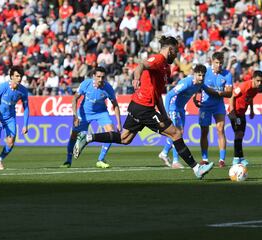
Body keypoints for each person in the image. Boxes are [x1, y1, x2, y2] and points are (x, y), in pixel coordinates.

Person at [73, 36, 214, 179]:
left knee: (125, 139)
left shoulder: (166, 69)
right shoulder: (158, 59)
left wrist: (164, 114)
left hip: (139, 106)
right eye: (176, 51)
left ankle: (88, 137)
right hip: (143, 107)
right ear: (170, 50)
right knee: (176, 133)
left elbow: (158, 95)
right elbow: (141, 65)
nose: (176, 55)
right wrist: (136, 78)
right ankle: (197, 168)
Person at [61, 67, 121, 168]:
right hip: (84, 112)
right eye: (98, 77)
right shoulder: (86, 84)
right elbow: (75, 98)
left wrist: (119, 123)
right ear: (93, 76)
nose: (100, 79)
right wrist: (75, 116)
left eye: (102, 77)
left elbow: (115, 105)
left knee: (112, 132)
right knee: (74, 135)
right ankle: (68, 160)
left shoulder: (108, 88)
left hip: (101, 112)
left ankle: (101, 160)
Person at [158, 64, 207, 169]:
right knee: (177, 134)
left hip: (181, 109)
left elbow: (203, 89)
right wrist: (166, 114)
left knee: (179, 134)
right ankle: (174, 161)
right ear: (194, 74)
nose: (201, 78)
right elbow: (169, 95)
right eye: (199, 75)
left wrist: (195, 100)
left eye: (203, 76)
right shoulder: (186, 82)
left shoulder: (200, 83)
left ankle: (165, 153)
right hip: (173, 108)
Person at [0, 66, 29, 170]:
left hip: (10, 118)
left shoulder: (23, 91)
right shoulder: (3, 87)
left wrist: (25, 125)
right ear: (11, 77)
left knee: (11, 142)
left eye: (20, 76)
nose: (19, 78)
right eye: (17, 76)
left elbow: (26, 108)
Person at [195, 52, 233, 168]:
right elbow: (198, 85)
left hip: (218, 105)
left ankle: (222, 159)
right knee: (204, 131)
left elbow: (229, 93)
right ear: (212, 61)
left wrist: (221, 93)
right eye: (217, 62)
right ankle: (205, 158)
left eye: (221, 63)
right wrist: (195, 97)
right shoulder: (205, 73)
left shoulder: (227, 75)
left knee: (220, 129)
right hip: (205, 105)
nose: (219, 65)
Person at [228, 70, 262, 166]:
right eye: (258, 81)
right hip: (234, 112)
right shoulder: (244, 86)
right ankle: (236, 159)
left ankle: (240, 158)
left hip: (242, 113)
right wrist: (232, 112)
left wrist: (252, 110)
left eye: (261, 81)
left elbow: (250, 98)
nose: (259, 83)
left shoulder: (256, 89)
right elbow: (232, 96)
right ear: (253, 79)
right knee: (238, 133)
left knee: (241, 134)